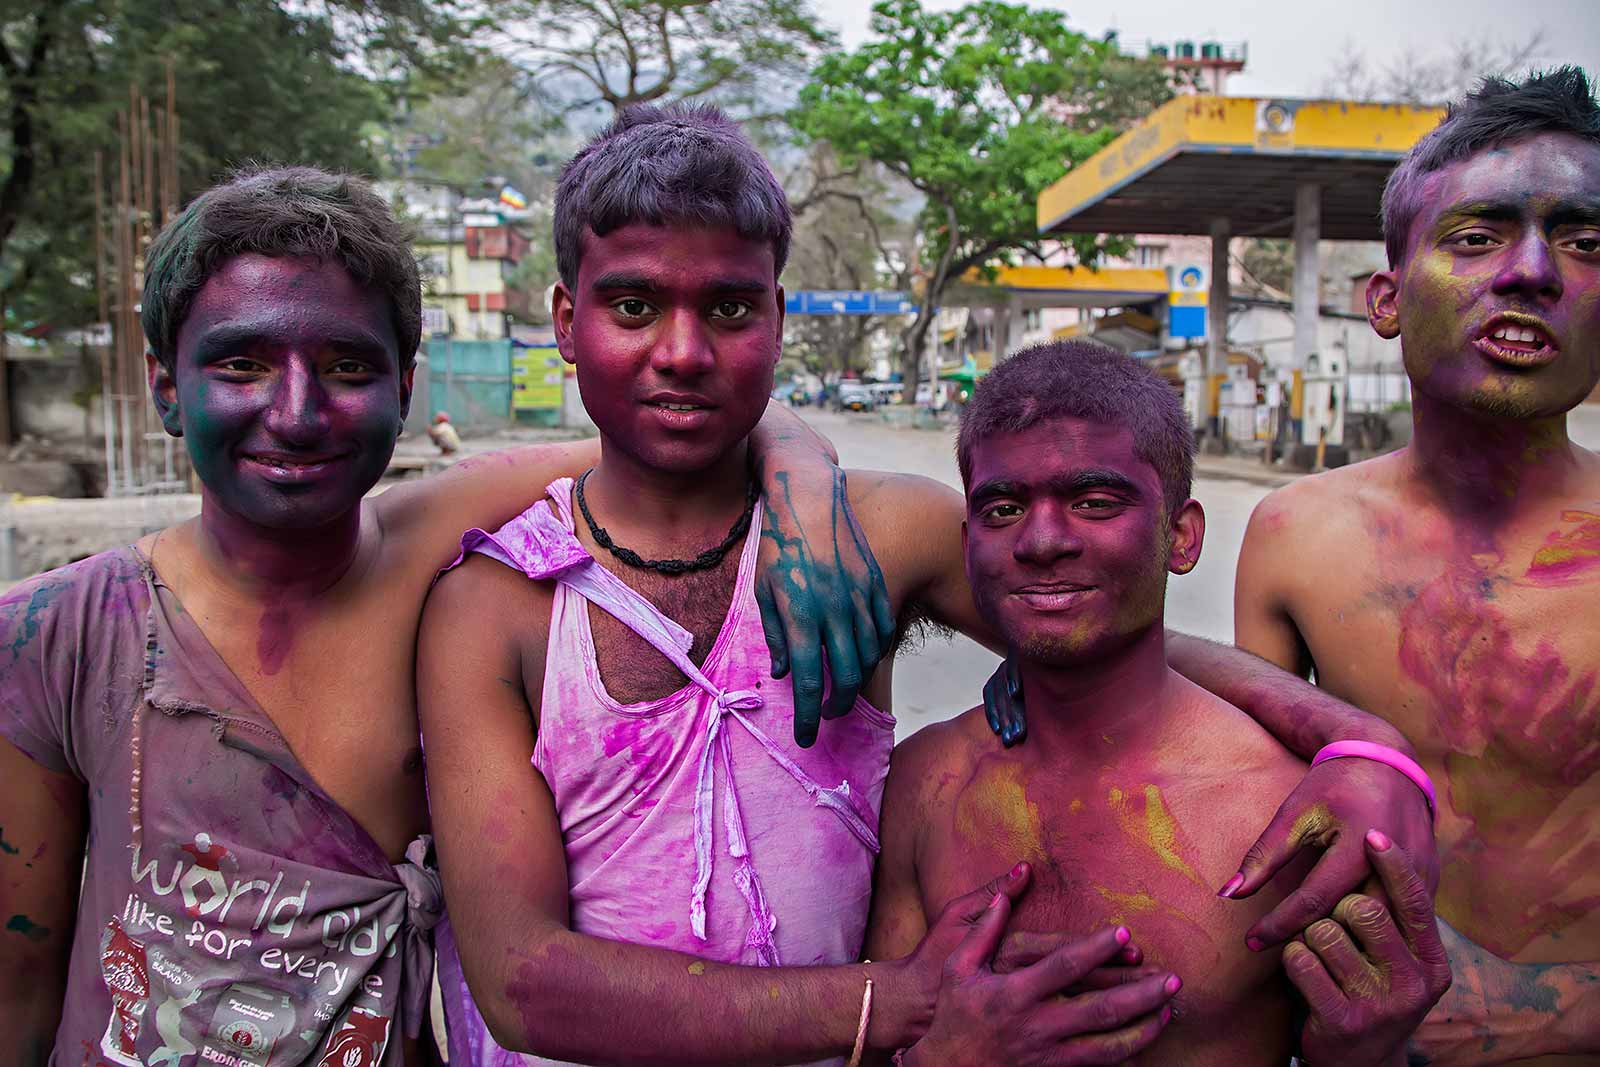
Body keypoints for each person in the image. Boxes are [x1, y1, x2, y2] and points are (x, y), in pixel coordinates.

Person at [418, 104, 1444, 1067]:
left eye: (729, 307)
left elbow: (1096, 624)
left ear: (779, 316)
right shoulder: (493, 602)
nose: (682, 352)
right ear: (563, 318)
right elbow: (524, 976)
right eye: (634, 305)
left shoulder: (876, 532)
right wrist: (902, 1001)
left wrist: (1360, 748)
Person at [0, 165, 893, 1065]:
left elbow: (683, 425)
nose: (299, 413)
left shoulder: (425, 547)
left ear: (404, 387)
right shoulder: (61, 635)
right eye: (243, 363)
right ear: (164, 385)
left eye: (349, 367)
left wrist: (802, 487)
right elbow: (18, 985)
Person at [869, 340, 1451, 1066]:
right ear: (967, 546)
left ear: (1181, 535)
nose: (1043, 539)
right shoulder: (926, 785)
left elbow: (1368, 1034)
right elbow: (877, 1035)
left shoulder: (1287, 812)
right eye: (1004, 508)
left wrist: (1366, 1053)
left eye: (1094, 502)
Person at [1202, 67, 1600, 1063]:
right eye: (1476, 237)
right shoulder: (1298, 535)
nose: (1531, 272)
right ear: (1383, 298)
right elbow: (1260, 832)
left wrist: (1554, 1011)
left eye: (1586, 242)